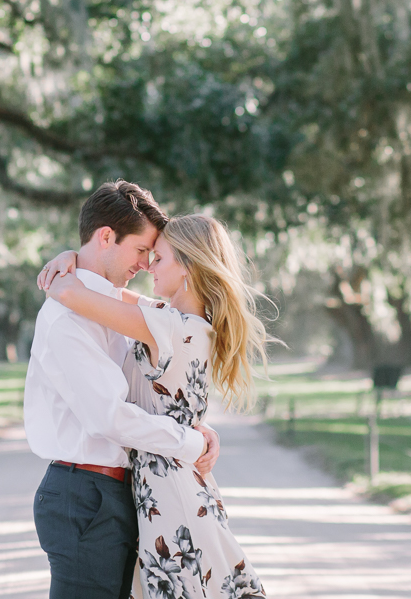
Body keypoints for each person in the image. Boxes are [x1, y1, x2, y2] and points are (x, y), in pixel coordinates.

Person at [37, 213, 269, 599]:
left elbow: (70, 294)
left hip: (170, 493)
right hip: (171, 485)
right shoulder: (182, 322)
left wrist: (68, 262)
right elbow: (108, 293)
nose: (148, 266)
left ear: (189, 268)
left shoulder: (169, 326)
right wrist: (72, 256)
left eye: (158, 258)